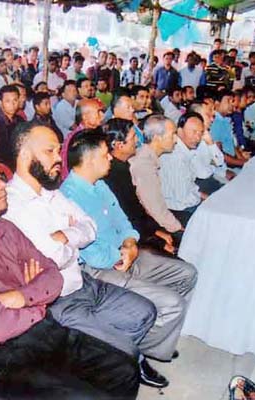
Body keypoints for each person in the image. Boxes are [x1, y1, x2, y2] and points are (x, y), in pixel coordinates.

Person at [0, 150, 140, 398]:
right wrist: (37, 302)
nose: (3, 186)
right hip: (5, 357)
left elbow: (54, 276)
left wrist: (23, 295)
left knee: (124, 370)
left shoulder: (5, 227)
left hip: (43, 330)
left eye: (1, 178)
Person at [3, 122, 169, 388]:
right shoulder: (12, 203)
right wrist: (72, 234)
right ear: (25, 155)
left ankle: (101, 359)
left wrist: (66, 234)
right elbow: (53, 256)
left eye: (59, 150)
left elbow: (89, 227)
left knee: (144, 313)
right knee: (124, 352)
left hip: (83, 281)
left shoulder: (50, 192)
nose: (59, 158)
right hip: (58, 300)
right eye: (50, 151)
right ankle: (110, 363)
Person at [61, 131, 198, 365]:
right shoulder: (67, 197)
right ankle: (136, 355)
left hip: (126, 254)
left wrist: (130, 243)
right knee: (172, 303)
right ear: (91, 160)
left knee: (187, 274)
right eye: (106, 155)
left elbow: (124, 222)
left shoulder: (101, 185)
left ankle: (151, 341)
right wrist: (122, 254)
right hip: (98, 270)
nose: (111, 159)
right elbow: (90, 253)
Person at [123, 115, 183, 239]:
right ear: (157, 138)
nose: (176, 140)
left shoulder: (147, 156)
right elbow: (155, 210)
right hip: (149, 225)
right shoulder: (144, 165)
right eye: (172, 134)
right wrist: (179, 229)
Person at [158, 113, 216, 226]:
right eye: (194, 132)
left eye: (200, 133)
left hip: (187, 201)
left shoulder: (185, 151)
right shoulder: (175, 157)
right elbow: (184, 198)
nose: (198, 137)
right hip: (180, 209)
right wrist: (207, 200)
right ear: (179, 131)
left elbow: (190, 187)